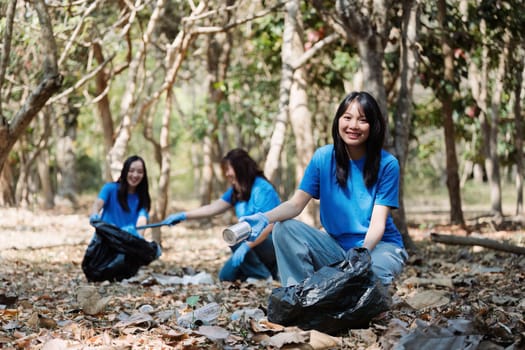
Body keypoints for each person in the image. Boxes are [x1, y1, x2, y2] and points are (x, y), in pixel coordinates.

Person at [240, 91, 408, 287]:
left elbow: (378, 224)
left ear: (373, 126)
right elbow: (295, 205)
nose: (353, 125)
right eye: (347, 118)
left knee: (368, 283)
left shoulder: (388, 164)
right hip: (335, 248)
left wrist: (361, 254)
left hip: (378, 247)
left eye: (362, 120)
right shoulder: (323, 157)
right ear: (338, 121)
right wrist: (263, 218)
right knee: (284, 228)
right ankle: (300, 296)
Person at [165, 148, 280, 282]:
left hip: (270, 244)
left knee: (236, 232)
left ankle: (262, 276)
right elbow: (213, 208)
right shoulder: (237, 190)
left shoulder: (262, 188)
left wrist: (245, 247)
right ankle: (259, 271)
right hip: (250, 245)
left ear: (240, 168)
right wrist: (184, 215)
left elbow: (270, 226)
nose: (226, 174)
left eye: (228, 169)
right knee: (225, 277)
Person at [89, 155, 151, 239]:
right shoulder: (109, 188)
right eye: (131, 171)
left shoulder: (142, 198)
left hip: (126, 244)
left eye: (140, 172)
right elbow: (98, 204)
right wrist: (94, 215)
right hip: (104, 240)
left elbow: (142, 220)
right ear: (125, 172)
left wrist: (138, 237)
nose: (135, 175)